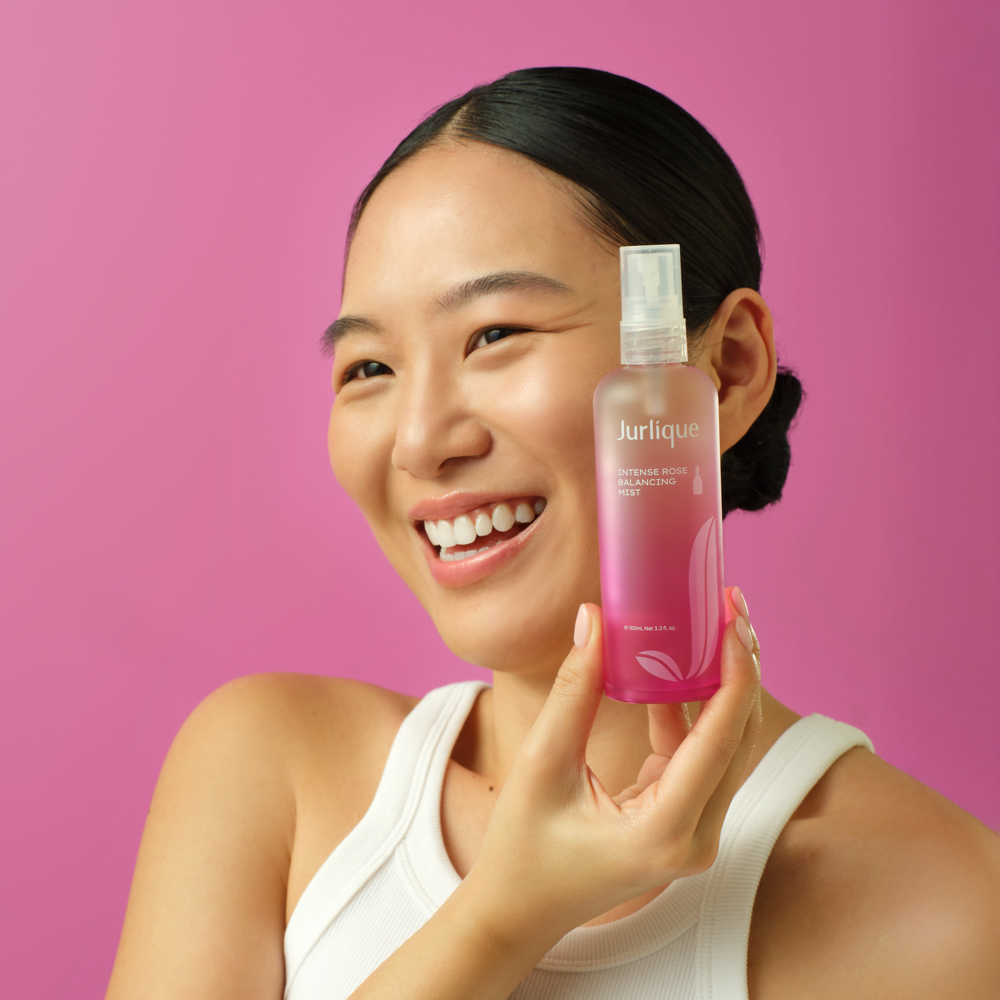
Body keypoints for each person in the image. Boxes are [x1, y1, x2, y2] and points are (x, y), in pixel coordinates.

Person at [105, 67, 1000, 1000]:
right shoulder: (270, 770)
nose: (420, 441)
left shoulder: (939, 910)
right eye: (368, 367)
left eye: (494, 335)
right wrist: (506, 913)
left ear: (728, 370)